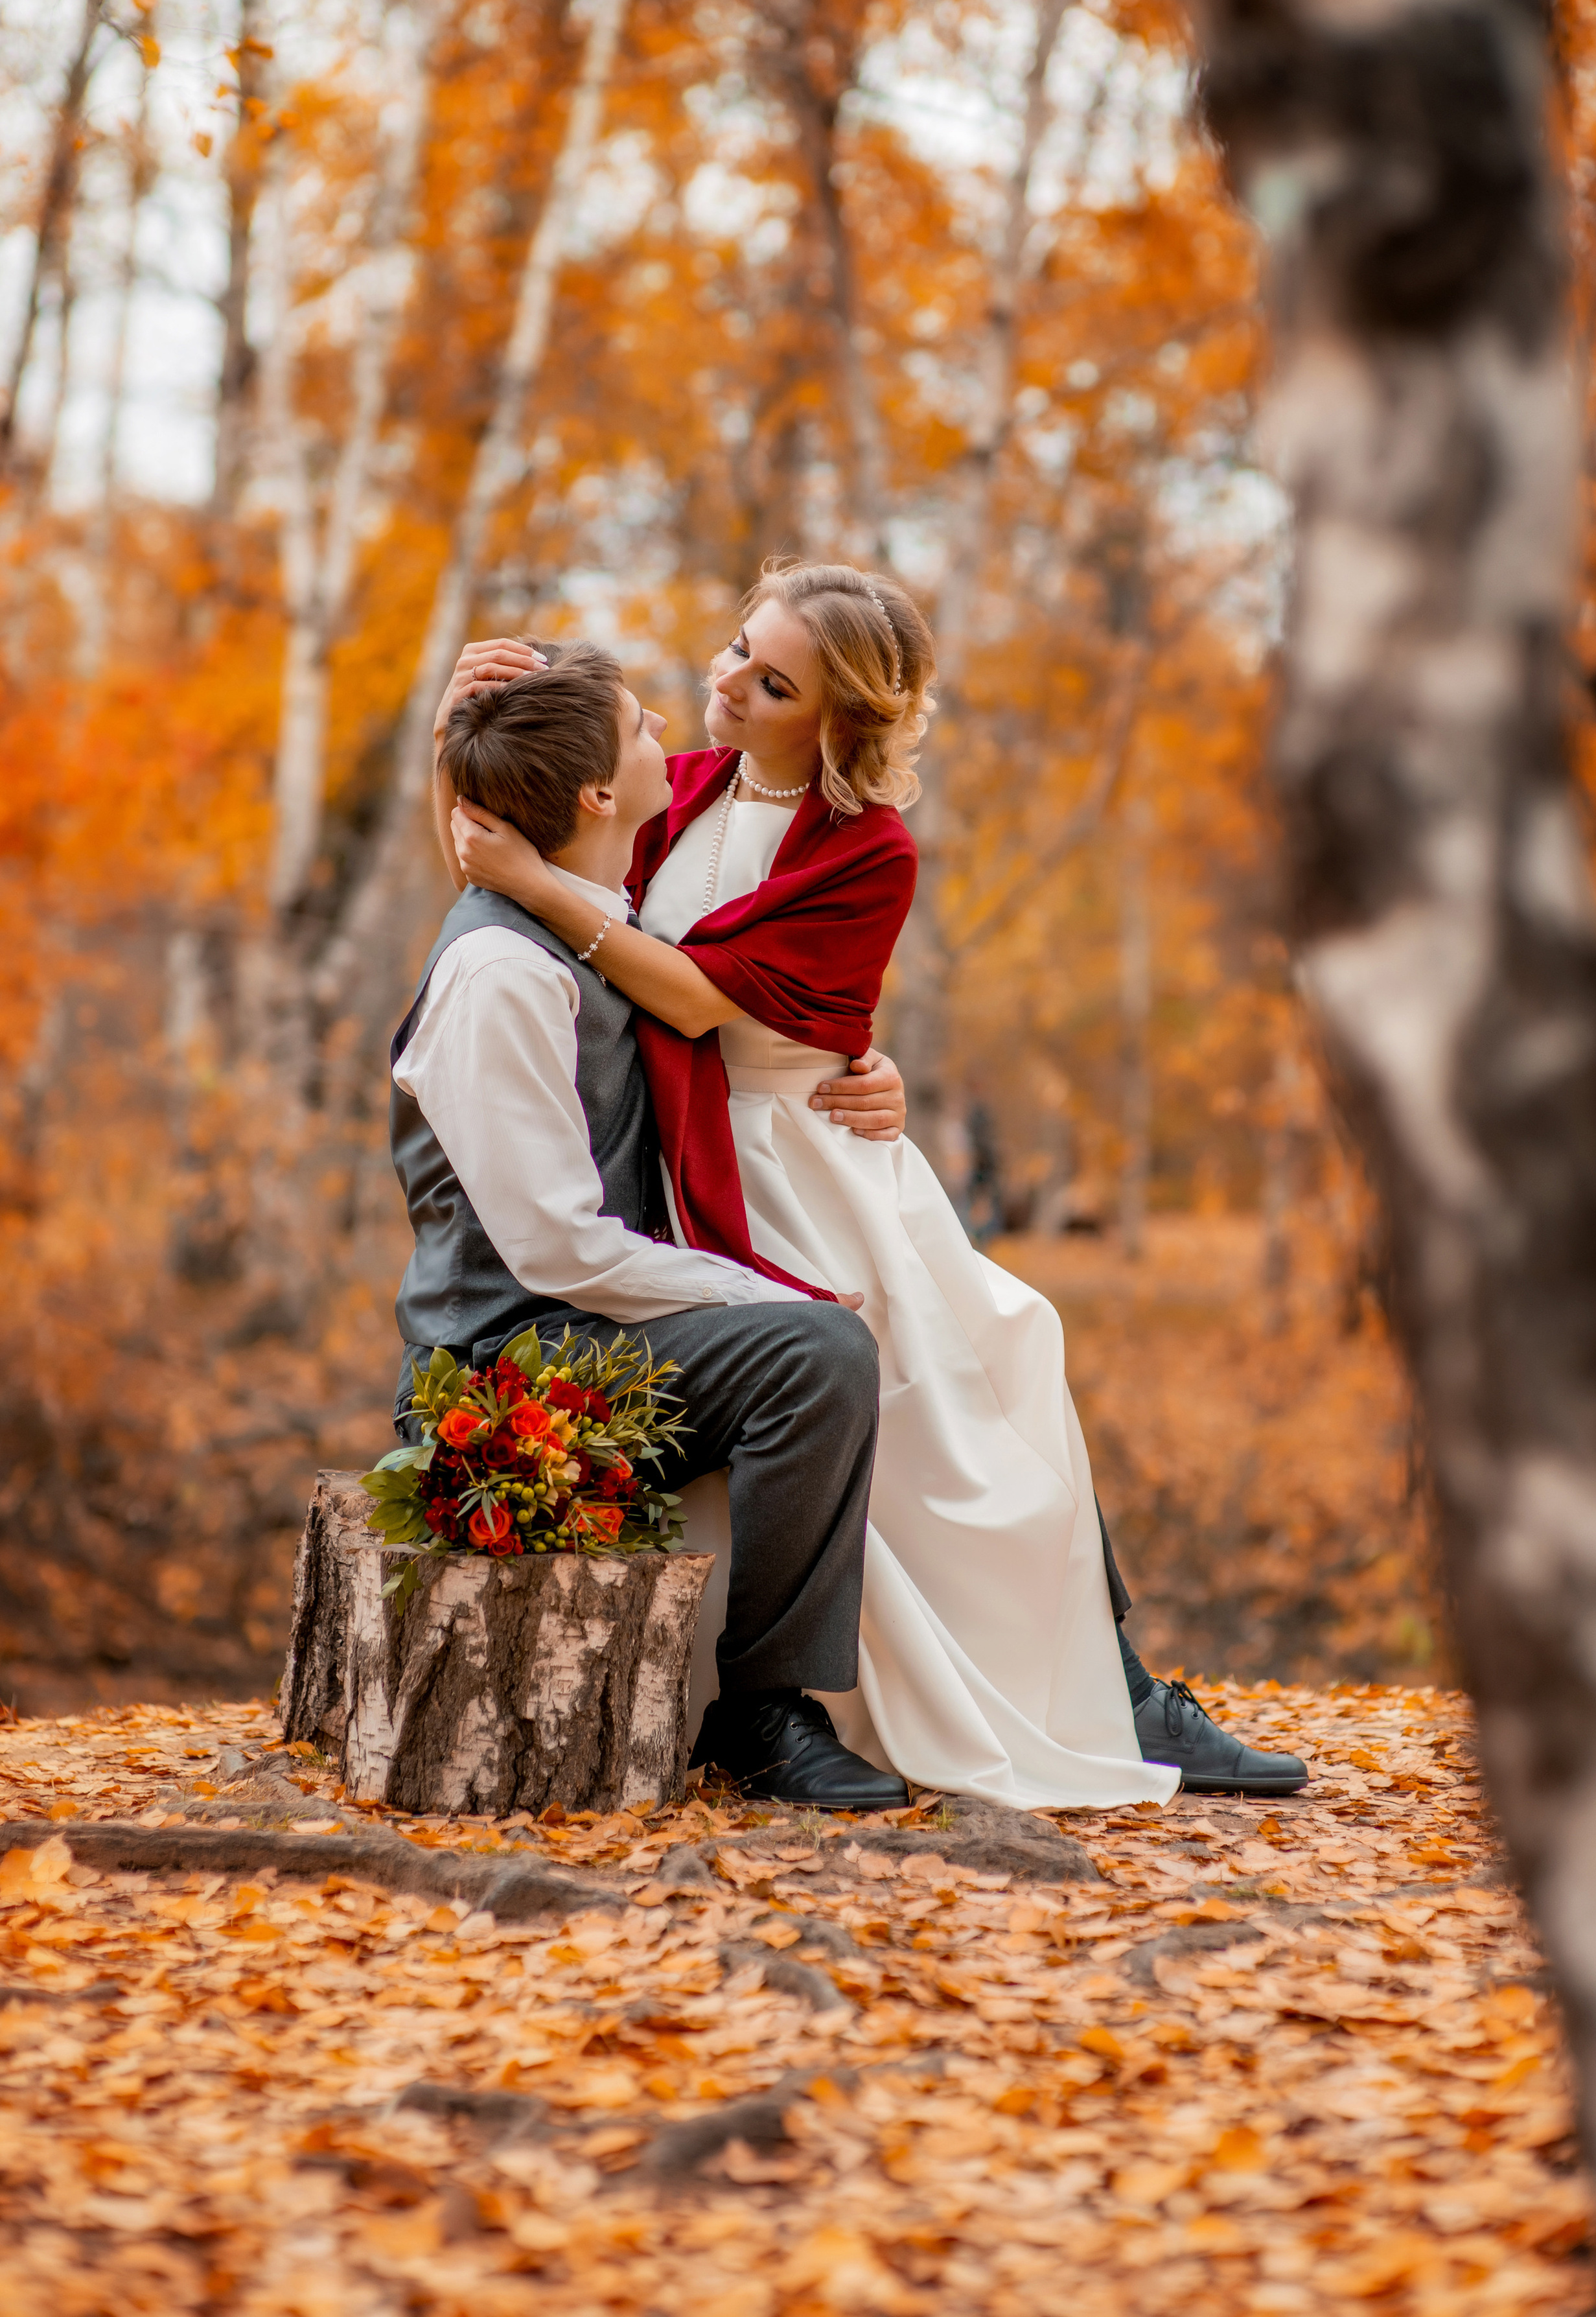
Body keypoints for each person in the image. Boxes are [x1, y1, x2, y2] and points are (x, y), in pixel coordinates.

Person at [439, 570, 1309, 1805]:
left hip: (807, 1159)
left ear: (836, 724)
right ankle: (811, 1699)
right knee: (884, 1385)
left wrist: (850, 1054)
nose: (727, 682)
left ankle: (1112, 1688)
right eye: (738, 649)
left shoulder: (869, 851)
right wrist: (466, 726)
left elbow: (688, 993)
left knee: (1001, 1356)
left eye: (772, 682)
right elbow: (519, 841)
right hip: (687, 1164)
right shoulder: (674, 792)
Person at [388, 646, 914, 1812]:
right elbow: (558, 1249)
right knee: (817, 1353)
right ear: (594, 798)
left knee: (884, 1325)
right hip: (505, 1370)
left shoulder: (597, 915)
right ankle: (763, 1711)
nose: (667, 730)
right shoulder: (501, 973)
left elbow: (723, 1010)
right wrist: (766, 1297)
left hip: (586, 1333)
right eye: (639, 727)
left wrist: (867, 1067)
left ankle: (1072, 1673)